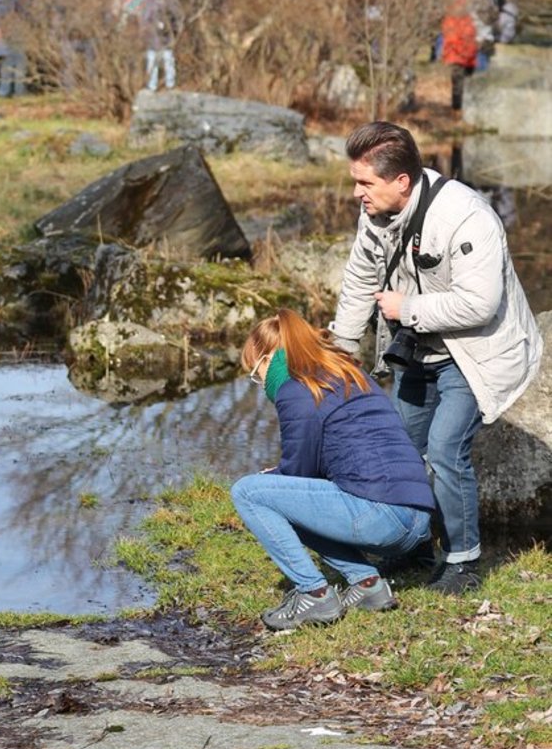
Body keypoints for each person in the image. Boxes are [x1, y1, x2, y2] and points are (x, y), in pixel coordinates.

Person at [330, 121, 542, 593]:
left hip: (475, 352)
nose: (356, 193)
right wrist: (343, 352)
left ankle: (463, 560)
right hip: (417, 353)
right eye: (355, 182)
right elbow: (359, 279)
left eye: (365, 183)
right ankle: (412, 546)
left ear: (401, 181)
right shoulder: (375, 216)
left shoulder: (467, 217)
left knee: (446, 449)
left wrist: (410, 308)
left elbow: (481, 304)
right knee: (403, 451)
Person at [232, 309, 435, 631]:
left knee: (248, 492)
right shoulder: (346, 371)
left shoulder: (296, 387)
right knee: (285, 495)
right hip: (418, 518)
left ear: (270, 358)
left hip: (381, 516)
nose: (259, 381)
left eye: (257, 371)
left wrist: (272, 478)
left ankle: (314, 594)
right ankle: (368, 585)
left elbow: (298, 471)